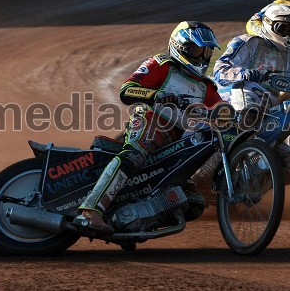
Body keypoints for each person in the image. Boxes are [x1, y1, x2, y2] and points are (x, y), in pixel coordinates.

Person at [74, 21, 222, 234]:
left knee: (193, 200)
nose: (202, 57)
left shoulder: (205, 86)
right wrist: (156, 95)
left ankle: (130, 221)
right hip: (150, 121)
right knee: (135, 153)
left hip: (178, 139)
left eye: (206, 51)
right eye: (197, 50)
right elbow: (127, 89)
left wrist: (238, 115)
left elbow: (222, 109)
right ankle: (90, 211)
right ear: (181, 47)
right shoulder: (162, 65)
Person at [213, 3, 290, 185]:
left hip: (268, 114)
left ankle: (248, 189)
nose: (287, 35)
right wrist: (242, 73)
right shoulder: (248, 42)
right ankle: (225, 167)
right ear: (268, 24)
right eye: (283, 28)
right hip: (232, 101)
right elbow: (219, 70)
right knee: (250, 115)